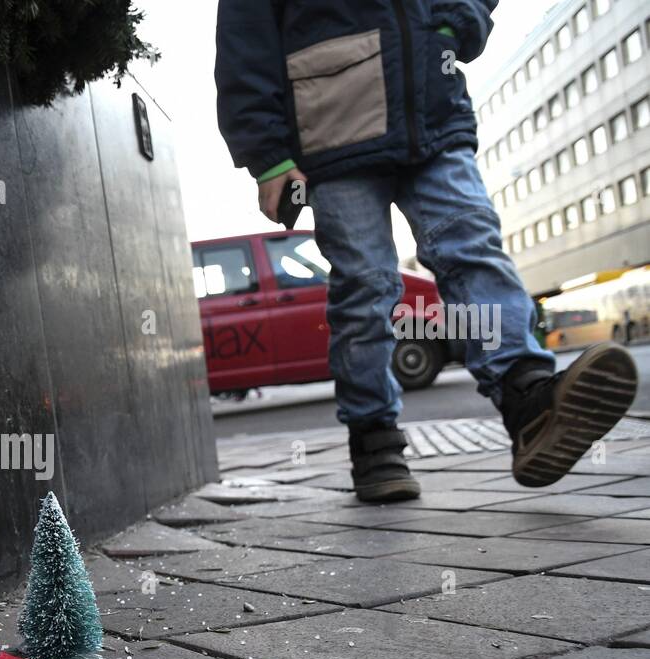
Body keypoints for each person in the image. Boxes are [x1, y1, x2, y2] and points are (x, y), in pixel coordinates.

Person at [215, 0, 638, 501]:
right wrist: (267, 156)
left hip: (434, 117)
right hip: (334, 131)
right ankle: (375, 441)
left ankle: (527, 397)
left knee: (473, 249)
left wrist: (459, 17)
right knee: (365, 287)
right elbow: (244, 41)